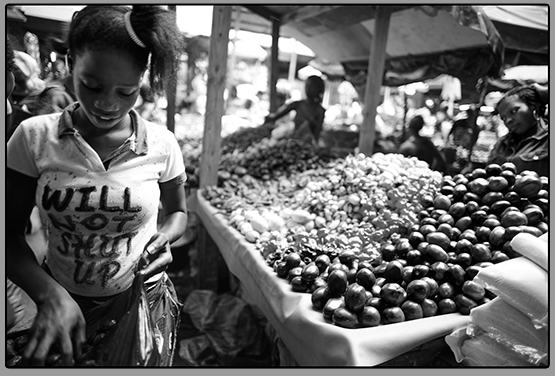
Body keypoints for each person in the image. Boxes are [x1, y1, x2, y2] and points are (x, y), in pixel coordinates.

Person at [6, 5, 187, 366]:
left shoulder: (162, 144)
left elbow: (179, 212)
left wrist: (165, 236)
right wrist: (49, 295)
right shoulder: (33, 137)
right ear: (71, 62)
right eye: (92, 85)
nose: (107, 104)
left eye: (126, 92)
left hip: (138, 304)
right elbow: (6, 234)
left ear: (143, 81)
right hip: (60, 304)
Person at [488, 84, 548, 177]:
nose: (508, 120)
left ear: (533, 107)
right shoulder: (501, 145)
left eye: (513, 111)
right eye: (503, 118)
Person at [264, 75, 326, 146]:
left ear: (319, 89)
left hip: (307, 145)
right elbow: (277, 115)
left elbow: (316, 135)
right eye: (307, 85)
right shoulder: (298, 104)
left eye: (311, 87)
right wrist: (270, 118)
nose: (308, 88)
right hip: (293, 142)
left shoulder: (320, 111)